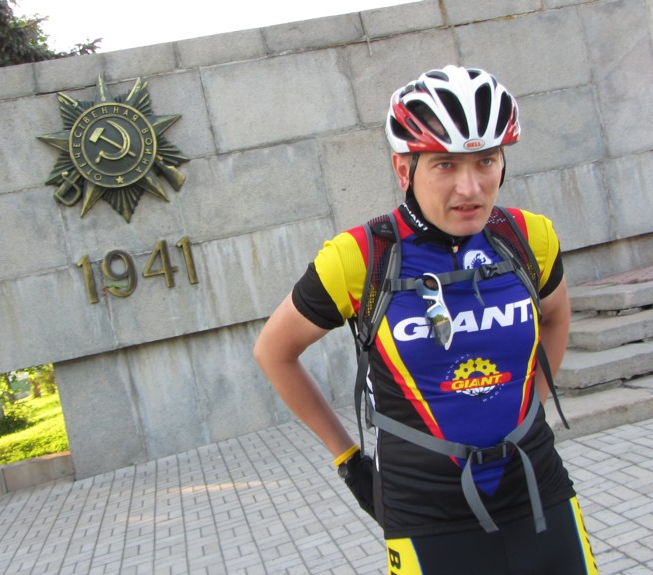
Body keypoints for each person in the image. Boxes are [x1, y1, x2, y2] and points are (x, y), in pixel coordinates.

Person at [253, 65, 599, 574]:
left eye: (486, 160)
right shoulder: (359, 256)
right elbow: (273, 352)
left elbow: (556, 318)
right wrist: (348, 461)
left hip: (537, 490)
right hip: (424, 512)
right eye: (444, 165)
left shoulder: (529, 238)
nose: (470, 187)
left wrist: (532, 408)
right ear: (404, 169)